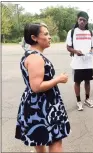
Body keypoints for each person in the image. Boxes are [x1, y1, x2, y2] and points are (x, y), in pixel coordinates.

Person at [15, 23, 70, 152]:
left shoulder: (30, 54)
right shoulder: (35, 58)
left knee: (39, 141)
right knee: (56, 141)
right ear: (34, 38)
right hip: (43, 105)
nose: (49, 37)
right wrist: (58, 79)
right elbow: (36, 86)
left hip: (36, 104)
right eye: (45, 34)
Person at [66, 11, 93, 111]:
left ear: (87, 21)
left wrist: (92, 51)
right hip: (77, 63)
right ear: (77, 20)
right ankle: (79, 101)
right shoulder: (72, 32)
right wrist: (75, 51)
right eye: (80, 19)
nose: (82, 21)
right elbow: (68, 47)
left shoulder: (90, 32)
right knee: (77, 82)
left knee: (87, 82)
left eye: (84, 20)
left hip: (88, 62)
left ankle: (87, 99)